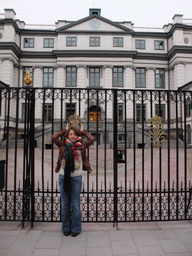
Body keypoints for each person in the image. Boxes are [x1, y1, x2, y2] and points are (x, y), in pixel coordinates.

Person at [51, 124, 94, 237]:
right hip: (63, 177)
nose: (73, 136)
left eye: (75, 134)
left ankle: (76, 228)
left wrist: (83, 132)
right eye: (71, 134)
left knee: (75, 205)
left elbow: (92, 139)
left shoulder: (82, 145)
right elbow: (54, 137)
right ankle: (66, 227)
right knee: (65, 204)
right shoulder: (63, 144)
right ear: (67, 135)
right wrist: (64, 130)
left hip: (76, 178)